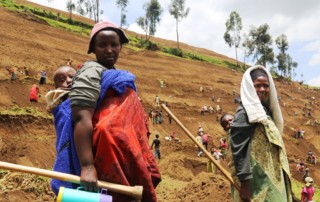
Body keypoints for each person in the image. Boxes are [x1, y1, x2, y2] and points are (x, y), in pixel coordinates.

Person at [69, 21, 161, 201]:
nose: (109, 50)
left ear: (121, 47)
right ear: (93, 49)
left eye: (114, 44)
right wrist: (87, 166)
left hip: (126, 149)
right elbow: (81, 117)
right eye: (102, 45)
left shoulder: (120, 76)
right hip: (106, 154)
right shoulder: (90, 72)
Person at [229, 65, 295, 202]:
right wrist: (245, 184)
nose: (262, 89)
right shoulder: (244, 112)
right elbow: (239, 148)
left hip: (271, 177)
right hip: (256, 179)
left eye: (266, 86)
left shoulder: (264, 111)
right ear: (249, 87)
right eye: (257, 85)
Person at [45, 66, 78, 194]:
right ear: (56, 88)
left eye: (71, 76)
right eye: (61, 79)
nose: (68, 81)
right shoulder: (63, 110)